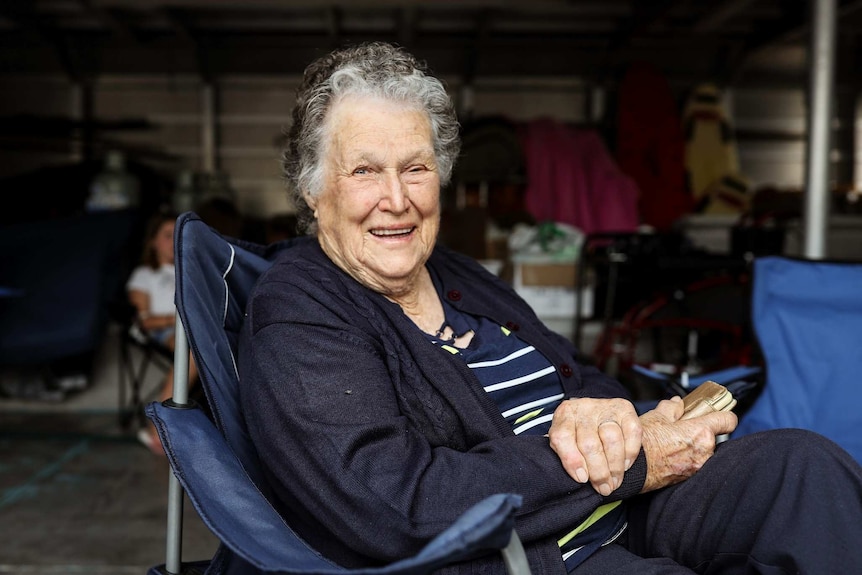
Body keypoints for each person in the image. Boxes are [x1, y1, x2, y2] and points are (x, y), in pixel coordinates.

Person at [238, 42, 862, 574]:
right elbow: (396, 505)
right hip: (525, 551)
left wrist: (613, 413)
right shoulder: (301, 314)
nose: (397, 199)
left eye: (416, 168)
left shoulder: (455, 273)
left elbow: (575, 372)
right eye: (366, 170)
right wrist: (633, 455)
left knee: (803, 469)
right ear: (314, 188)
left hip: (611, 501)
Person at [126, 211, 198, 455]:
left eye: (177, 235)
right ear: (154, 242)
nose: (173, 240)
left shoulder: (191, 271)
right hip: (162, 330)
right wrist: (177, 318)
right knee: (191, 353)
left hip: (193, 329)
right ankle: (157, 428)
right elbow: (143, 321)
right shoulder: (145, 275)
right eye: (167, 235)